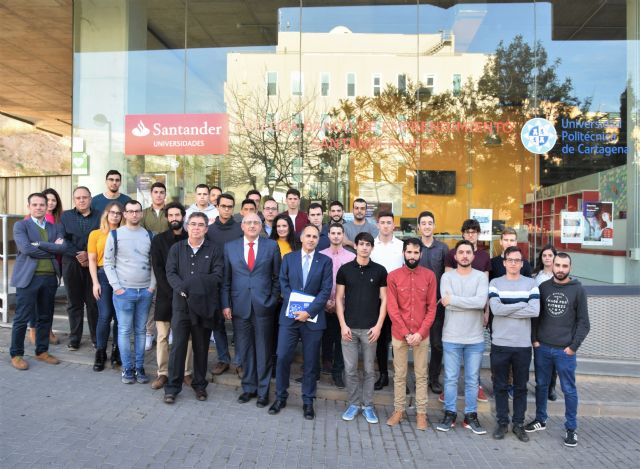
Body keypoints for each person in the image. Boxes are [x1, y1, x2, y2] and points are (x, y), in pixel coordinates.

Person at [525, 253, 590, 448]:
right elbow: (536, 316)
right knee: (541, 385)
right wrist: (534, 340)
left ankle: (571, 428)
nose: (561, 269)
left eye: (564, 266)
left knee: (569, 389)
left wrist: (573, 347)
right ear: (552, 265)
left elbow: (584, 322)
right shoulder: (543, 287)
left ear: (570, 267)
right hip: (542, 348)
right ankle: (540, 419)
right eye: (558, 265)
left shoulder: (578, 289)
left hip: (565, 351)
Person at [269, 224, 333, 420]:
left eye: (315, 236)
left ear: (318, 240)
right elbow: (283, 283)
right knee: (282, 357)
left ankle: (308, 401)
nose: (311, 239)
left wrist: (308, 312)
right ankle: (280, 397)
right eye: (308, 236)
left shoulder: (325, 261)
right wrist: (297, 307)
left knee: (311, 362)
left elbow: (325, 291)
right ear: (302, 238)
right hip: (289, 317)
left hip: (313, 320)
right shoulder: (289, 258)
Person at [221, 213, 281, 408]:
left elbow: (277, 278)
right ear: (242, 226)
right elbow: (226, 280)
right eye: (248, 222)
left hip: (264, 306)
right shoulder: (230, 247)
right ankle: (249, 388)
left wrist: (272, 300)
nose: (252, 225)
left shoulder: (271, 246)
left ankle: (263, 391)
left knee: (263, 351)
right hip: (240, 306)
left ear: (261, 226)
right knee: (245, 349)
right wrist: (226, 304)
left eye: (256, 222)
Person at [163, 212, 224, 404]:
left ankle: (200, 385)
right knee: (178, 347)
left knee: (201, 348)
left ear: (206, 228)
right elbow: (170, 272)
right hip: (181, 306)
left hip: (203, 307)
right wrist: (183, 289)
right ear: (187, 226)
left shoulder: (214, 250)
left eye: (200, 225)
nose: (196, 228)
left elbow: (217, 276)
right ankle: (172, 388)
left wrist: (193, 285)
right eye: (193, 224)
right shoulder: (177, 248)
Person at [436, 240, 489, 435]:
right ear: (455, 256)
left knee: (472, 380)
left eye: (468, 252)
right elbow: (446, 304)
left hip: (475, 338)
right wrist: (468, 302)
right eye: (461, 252)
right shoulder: (447, 276)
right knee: (450, 378)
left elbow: (480, 302)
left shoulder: (481, 277)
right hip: (451, 336)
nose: (465, 256)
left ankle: (470, 416)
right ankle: (449, 414)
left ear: (473, 256)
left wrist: (454, 300)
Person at [9, 193, 66, 370]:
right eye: (35, 204)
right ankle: (16, 354)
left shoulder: (55, 227)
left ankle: (42, 351)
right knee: (22, 318)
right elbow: (26, 249)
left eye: (42, 204)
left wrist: (39, 244)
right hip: (28, 278)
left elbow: (62, 248)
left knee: (45, 317)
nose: (39, 207)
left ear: (47, 207)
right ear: (29, 207)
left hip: (49, 278)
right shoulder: (21, 225)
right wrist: (51, 249)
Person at [488, 246, 540, 442]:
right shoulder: (495, 282)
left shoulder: (531, 283)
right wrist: (521, 304)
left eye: (517, 260)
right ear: (504, 262)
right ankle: (502, 422)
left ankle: (518, 424)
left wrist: (507, 306)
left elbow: (534, 311)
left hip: (522, 344)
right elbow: (496, 310)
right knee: (500, 386)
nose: (513, 263)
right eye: (510, 260)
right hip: (500, 343)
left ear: (522, 263)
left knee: (520, 387)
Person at [336, 232, 388, 424]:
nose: (365, 247)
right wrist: (342, 325)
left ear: (372, 248)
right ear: (355, 246)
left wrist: (379, 326)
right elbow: (339, 299)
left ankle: (368, 405)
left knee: (369, 370)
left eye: (368, 244)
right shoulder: (345, 270)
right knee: (350, 370)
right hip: (348, 329)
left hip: (370, 330)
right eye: (362, 244)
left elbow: (385, 300)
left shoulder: (380, 271)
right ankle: (353, 404)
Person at [386, 238, 437, 430]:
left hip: (421, 334)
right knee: (399, 375)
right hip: (399, 334)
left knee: (421, 375)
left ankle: (421, 413)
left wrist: (420, 333)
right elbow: (392, 308)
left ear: (421, 254)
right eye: (409, 252)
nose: (412, 256)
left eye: (416, 253)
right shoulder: (393, 276)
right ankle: (398, 410)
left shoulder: (430, 276)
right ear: (403, 253)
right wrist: (406, 333)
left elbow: (432, 308)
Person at [103, 200, 156, 384]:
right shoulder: (115, 234)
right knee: (125, 330)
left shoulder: (149, 235)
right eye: (130, 211)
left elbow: (154, 264)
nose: (134, 214)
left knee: (141, 331)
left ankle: (139, 368)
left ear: (141, 213)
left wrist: (152, 287)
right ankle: (127, 368)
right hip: (124, 292)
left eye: (137, 211)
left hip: (145, 292)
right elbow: (108, 262)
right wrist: (117, 287)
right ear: (124, 214)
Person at [444, 218, 491, 402]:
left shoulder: (484, 256)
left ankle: (476, 387)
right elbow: (446, 294)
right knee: (451, 373)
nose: (471, 235)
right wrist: (470, 301)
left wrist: (485, 310)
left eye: (474, 232)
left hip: (475, 319)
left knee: (473, 365)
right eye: (468, 232)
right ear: (463, 234)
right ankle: (449, 392)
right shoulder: (452, 253)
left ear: (478, 234)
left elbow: (482, 295)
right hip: (454, 323)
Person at [149, 202, 193, 390]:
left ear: (183, 217)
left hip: (188, 296)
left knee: (187, 337)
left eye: (177, 215)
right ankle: (163, 373)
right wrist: (173, 290)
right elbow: (158, 269)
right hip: (165, 295)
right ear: (167, 218)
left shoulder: (191, 238)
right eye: (171, 215)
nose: (174, 218)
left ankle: (186, 372)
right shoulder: (158, 240)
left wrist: (185, 292)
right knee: (162, 336)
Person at [206, 193, 243, 375]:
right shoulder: (209, 231)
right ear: (217, 207)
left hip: (237, 283)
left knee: (240, 325)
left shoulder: (240, 229)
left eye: (230, 206)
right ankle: (223, 359)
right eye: (223, 206)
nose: (227, 209)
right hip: (216, 282)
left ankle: (241, 361)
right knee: (218, 324)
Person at [61, 186, 101, 350]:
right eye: (78, 198)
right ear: (74, 200)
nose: (82, 200)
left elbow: (103, 237)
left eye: (85, 197)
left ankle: (96, 338)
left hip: (94, 263)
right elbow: (62, 239)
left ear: (90, 199)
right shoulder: (66, 216)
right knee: (74, 302)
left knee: (93, 302)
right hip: (71, 263)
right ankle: (74, 338)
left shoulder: (100, 216)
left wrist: (88, 254)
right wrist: (79, 255)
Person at [370, 211, 404, 391]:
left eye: (388, 222)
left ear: (393, 225)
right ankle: (383, 374)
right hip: (376, 299)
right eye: (382, 222)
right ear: (377, 225)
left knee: (399, 341)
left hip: (398, 300)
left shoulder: (401, 246)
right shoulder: (371, 245)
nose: (385, 225)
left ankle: (400, 378)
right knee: (381, 340)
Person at [87, 202, 123, 371]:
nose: (115, 216)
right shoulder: (95, 234)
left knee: (119, 317)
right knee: (105, 315)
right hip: (103, 276)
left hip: (122, 276)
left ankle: (116, 351)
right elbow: (92, 259)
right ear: (106, 214)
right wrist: (95, 282)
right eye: (112, 212)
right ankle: (100, 352)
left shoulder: (125, 233)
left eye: (118, 213)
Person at [416, 210, 449, 394]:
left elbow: (447, 275)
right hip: (416, 303)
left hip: (436, 304)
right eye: (424, 223)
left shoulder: (443, 248)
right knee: (416, 343)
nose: (427, 226)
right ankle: (417, 378)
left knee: (437, 343)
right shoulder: (413, 246)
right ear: (418, 226)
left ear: (434, 226)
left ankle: (434, 378)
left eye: (430, 223)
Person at [319, 223, 355, 388]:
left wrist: (340, 301)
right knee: (324, 337)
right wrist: (326, 301)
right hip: (323, 305)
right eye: (332, 233)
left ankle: (337, 372)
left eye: (339, 233)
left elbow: (353, 283)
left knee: (342, 340)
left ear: (343, 235)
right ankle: (325, 365)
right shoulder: (320, 255)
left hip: (344, 306)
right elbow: (316, 281)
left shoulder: (351, 257)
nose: (335, 236)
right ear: (328, 235)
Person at [27, 187, 63, 346]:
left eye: (54, 200)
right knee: (35, 301)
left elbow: (61, 244)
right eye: (47, 200)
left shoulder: (58, 219)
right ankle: (33, 330)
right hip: (36, 266)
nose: (50, 203)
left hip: (56, 264)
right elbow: (31, 245)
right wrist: (52, 246)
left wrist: (49, 246)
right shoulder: (30, 219)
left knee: (48, 302)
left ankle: (47, 330)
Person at [141, 181, 169, 351]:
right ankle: (149, 333)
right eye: (156, 192)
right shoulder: (143, 214)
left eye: (161, 192)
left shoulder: (170, 212)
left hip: (169, 261)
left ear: (165, 194)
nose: (158, 195)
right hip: (149, 261)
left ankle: (169, 330)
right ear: (151, 194)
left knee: (168, 295)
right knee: (151, 298)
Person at [533, 244, 558, 400]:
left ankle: (551, 387)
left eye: (550, 255)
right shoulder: (536, 276)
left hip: (555, 320)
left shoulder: (559, 274)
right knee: (540, 356)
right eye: (544, 255)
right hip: (539, 319)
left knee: (554, 357)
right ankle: (540, 385)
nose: (547, 258)